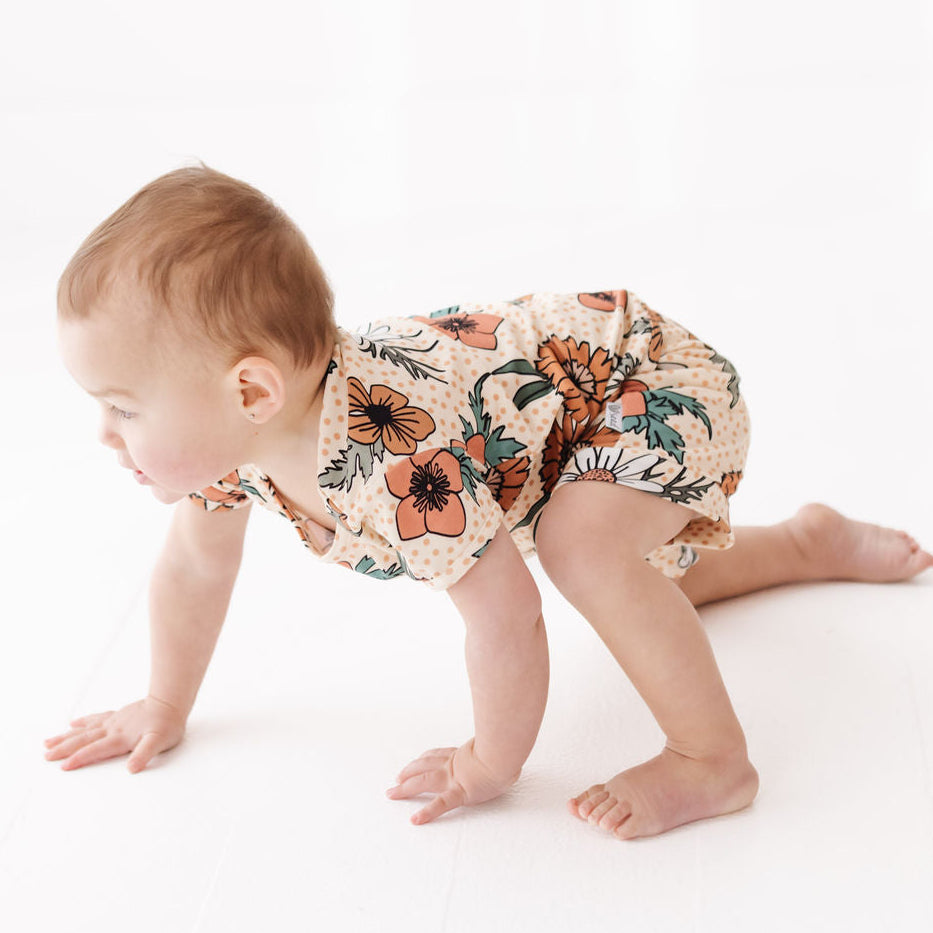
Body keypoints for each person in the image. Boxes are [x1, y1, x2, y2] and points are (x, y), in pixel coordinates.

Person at [44, 165, 933, 841]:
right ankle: (804, 543)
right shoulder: (229, 455)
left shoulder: (394, 460)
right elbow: (194, 568)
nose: (106, 435)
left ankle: (712, 758)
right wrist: (162, 702)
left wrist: (489, 761)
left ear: (250, 391)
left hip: (652, 380)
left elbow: (507, 616)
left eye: (123, 407)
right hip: (561, 435)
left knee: (586, 552)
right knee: (637, 577)